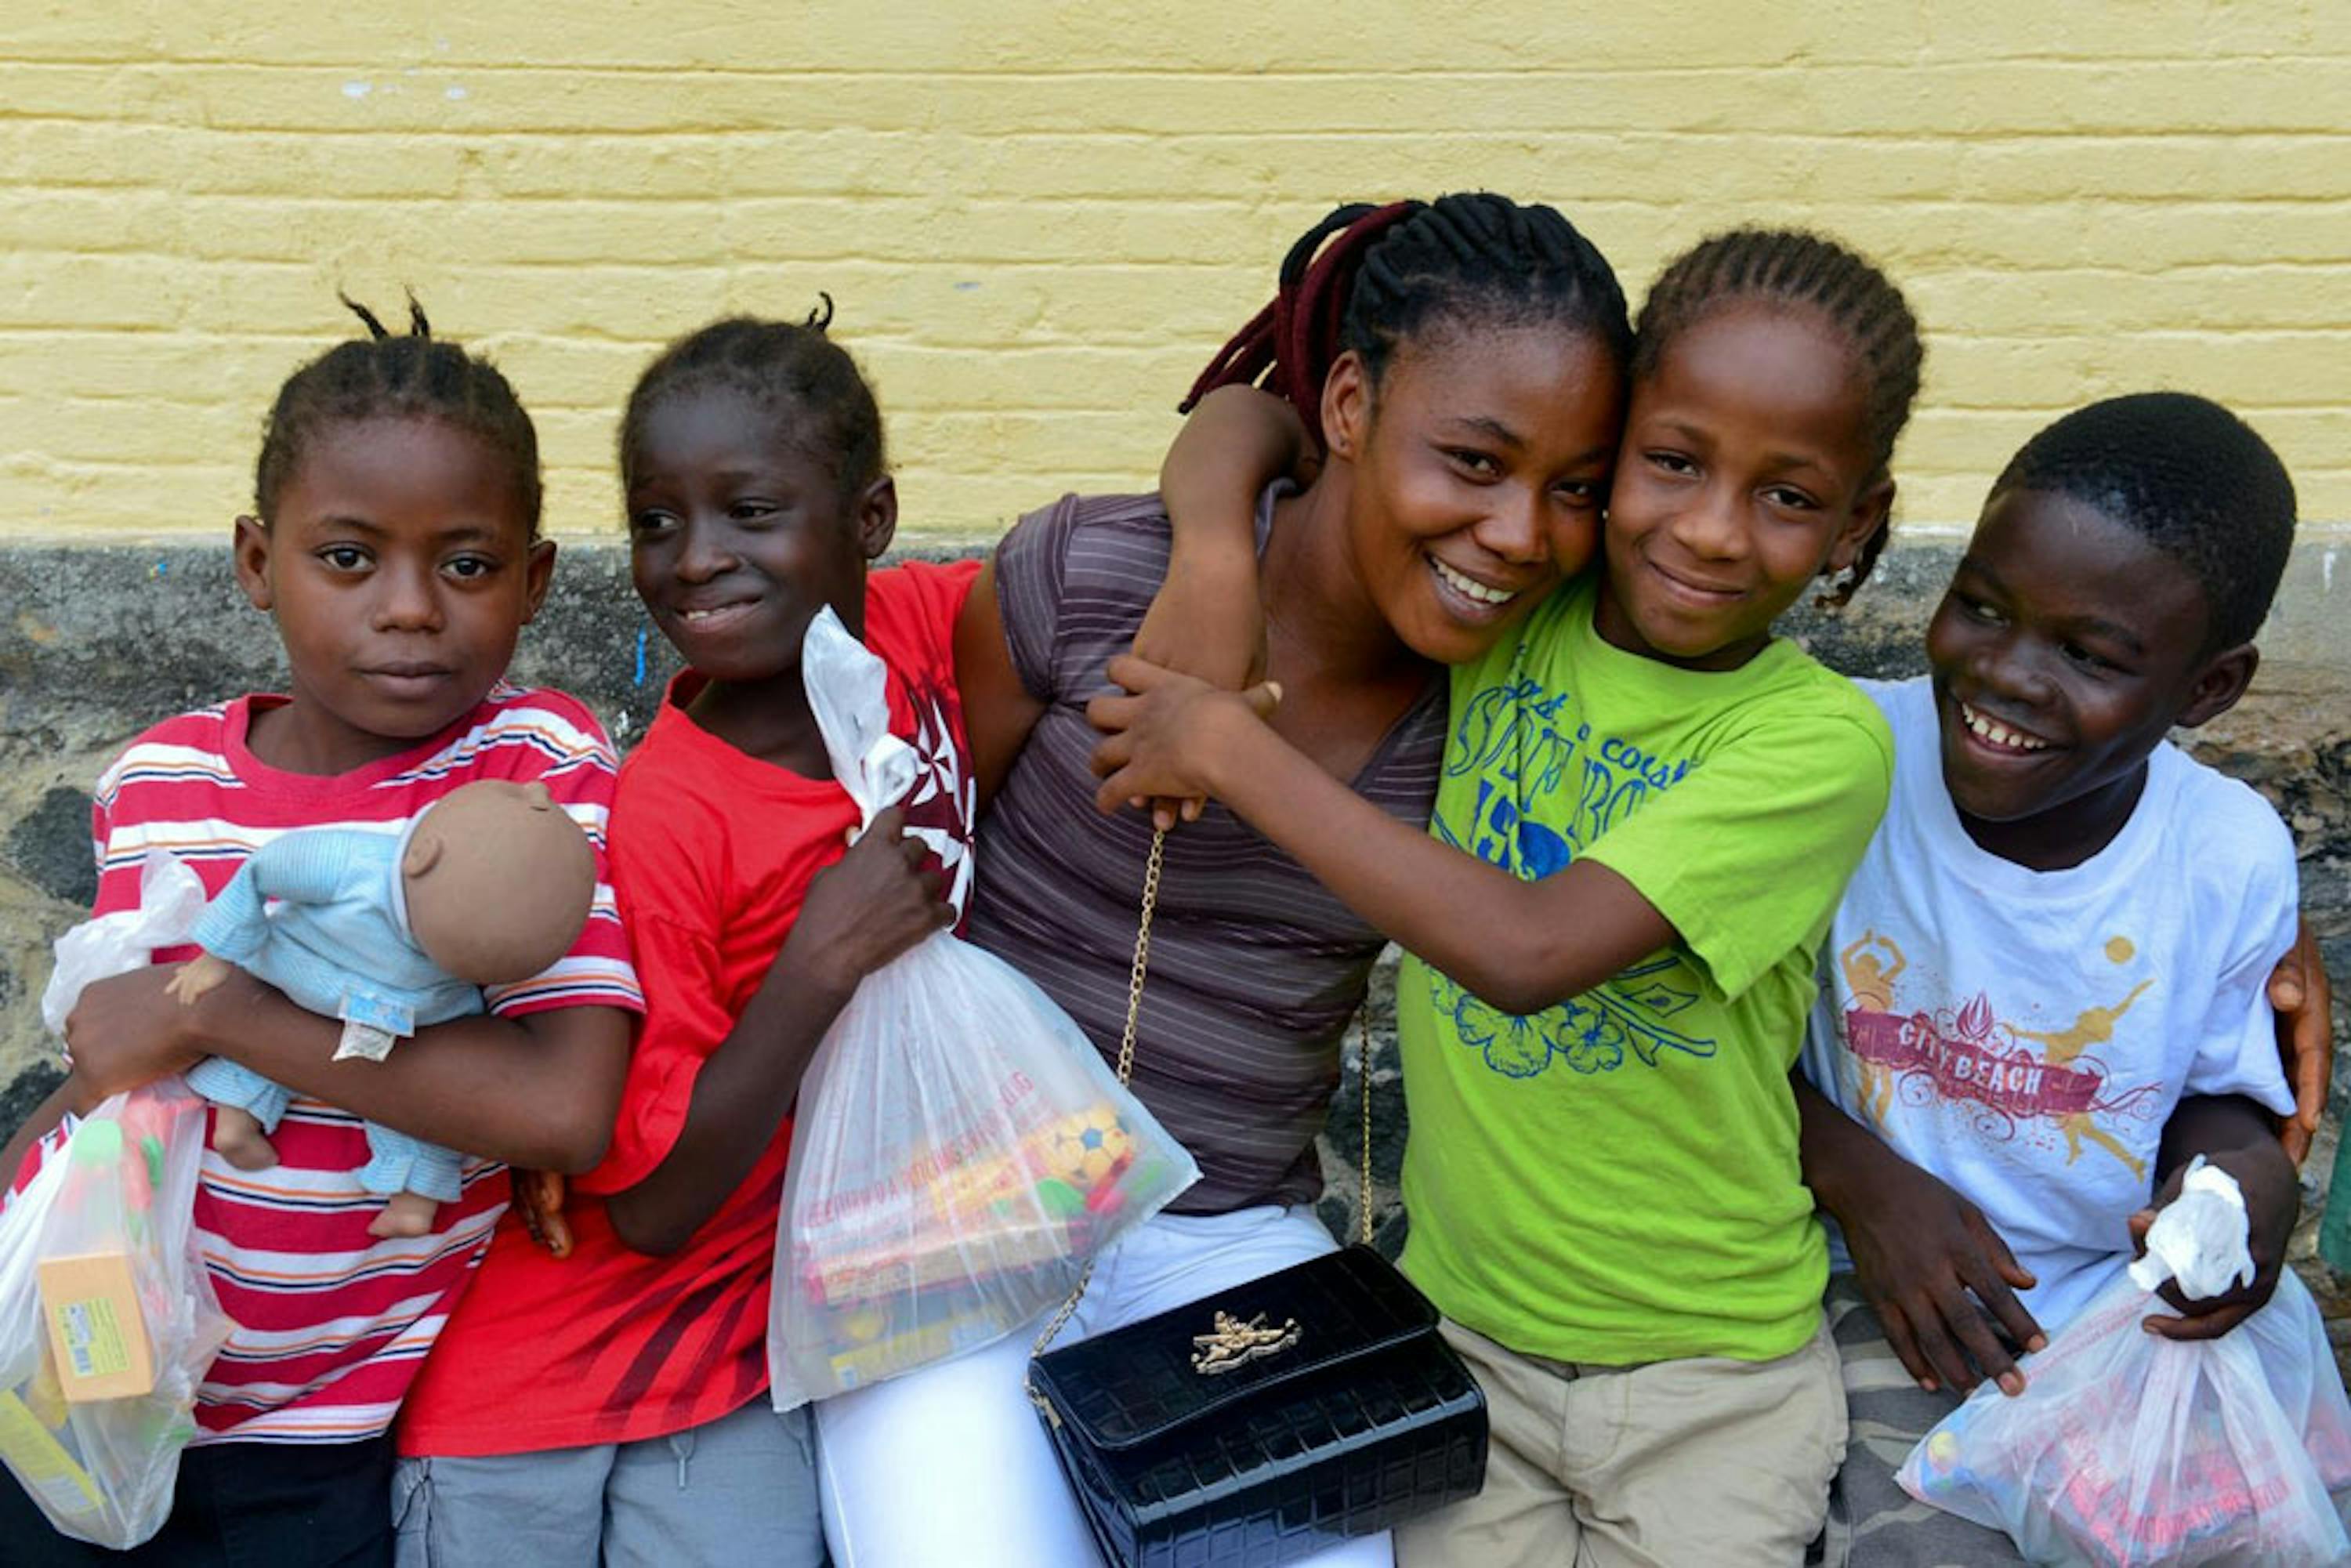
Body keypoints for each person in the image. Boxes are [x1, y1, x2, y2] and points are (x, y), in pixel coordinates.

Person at [814, 193, 1634, 1568]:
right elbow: (926, 855)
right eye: (1475, 462)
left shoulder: (1507, 704)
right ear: (1355, 403)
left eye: (1575, 486)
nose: (1520, 533)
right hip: (959, 1201)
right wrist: (1208, 536)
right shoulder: (1086, 573)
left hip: (1226, 1236)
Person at [1090, 227, 1927, 1566]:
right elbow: (1251, 417)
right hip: (1465, 1330)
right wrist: (1213, 559)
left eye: (1786, 495)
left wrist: (1228, 745)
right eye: (1671, 463)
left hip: (1708, 1376)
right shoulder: (1525, 589)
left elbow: (1528, 950)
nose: (1709, 529)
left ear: (1858, 527)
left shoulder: (1814, 744)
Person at [0, 299, 644, 1567]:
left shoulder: (531, 772)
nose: (409, 608)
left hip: (321, 1429)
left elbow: (563, 1107)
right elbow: (121, 1068)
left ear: (537, 578)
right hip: (82, 1376)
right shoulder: (160, 778)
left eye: (465, 563)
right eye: (348, 557)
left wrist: (224, 1012)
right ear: (256, 560)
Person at [393, 310, 968, 1566]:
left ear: (869, 522)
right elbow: (650, 1206)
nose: (695, 559)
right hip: (531, 1397)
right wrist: (820, 961)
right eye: (657, 521)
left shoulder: (915, 641)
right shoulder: (666, 813)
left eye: (748, 512)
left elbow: (1097, 567)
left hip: (736, 1371)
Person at [1795, 393, 2308, 1566]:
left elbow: (2217, 1086)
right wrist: (1865, 1180)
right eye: (1980, 605)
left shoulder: (2226, 851)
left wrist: (2242, 1183)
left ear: (2209, 690)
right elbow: (1700, 1036)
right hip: (1871, 1289)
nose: (2006, 676)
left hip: (2111, 1305)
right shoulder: (1841, 764)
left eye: (2087, 655)